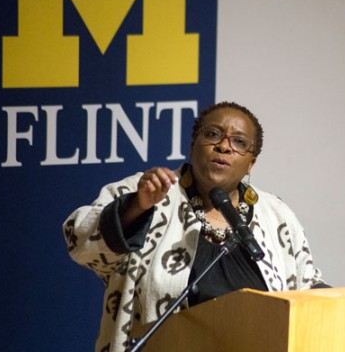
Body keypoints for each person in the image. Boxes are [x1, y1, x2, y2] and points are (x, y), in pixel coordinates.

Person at [63, 101, 327, 352]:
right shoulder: (148, 191)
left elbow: (306, 289)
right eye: (213, 134)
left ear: (251, 163)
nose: (224, 146)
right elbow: (80, 240)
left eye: (238, 142)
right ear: (193, 145)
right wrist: (135, 207)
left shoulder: (276, 214)